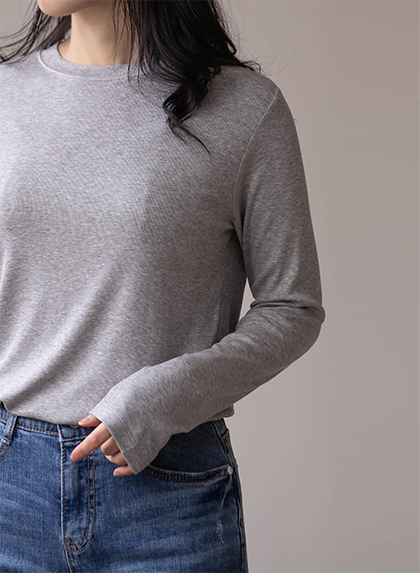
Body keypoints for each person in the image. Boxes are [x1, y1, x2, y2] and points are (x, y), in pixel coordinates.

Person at [0, 0, 326, 570]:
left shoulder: (244, 109)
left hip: (166, 489)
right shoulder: (7, 95)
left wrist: (163, 397)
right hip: (9, 483)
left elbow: (292, 307)